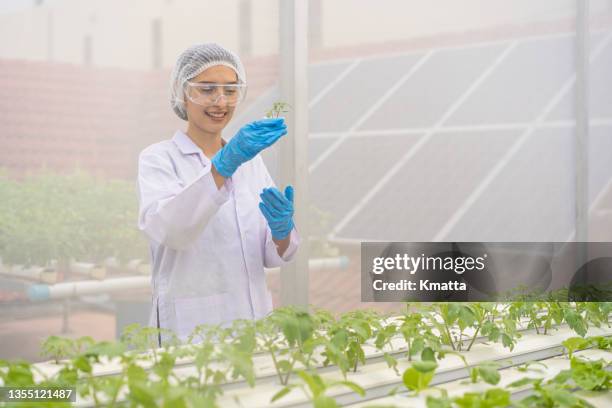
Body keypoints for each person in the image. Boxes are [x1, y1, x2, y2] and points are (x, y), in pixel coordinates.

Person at [137, 43, 300, 343]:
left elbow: (270, 253)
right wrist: (223, 165)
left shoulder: (251, 163)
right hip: (190, 329)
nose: (220, 101)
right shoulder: (159, 159)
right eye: (207, 89)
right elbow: (172, 231)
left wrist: (282, 231)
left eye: (230, 89)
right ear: (183, 93)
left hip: (254, 325)